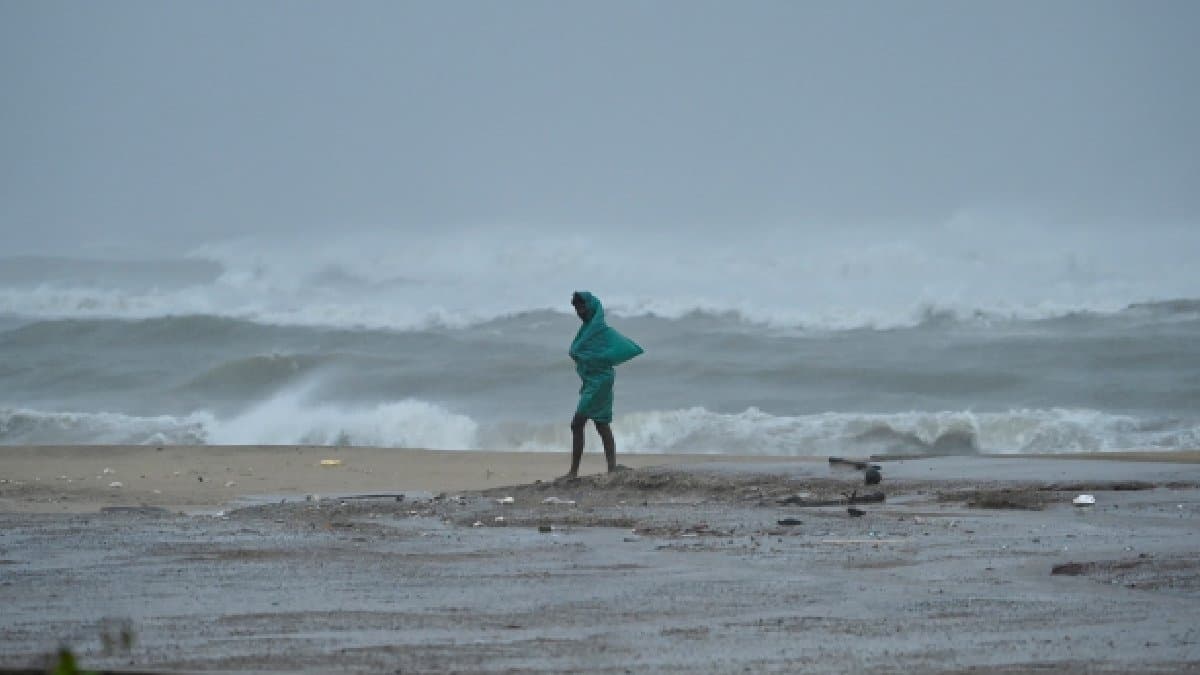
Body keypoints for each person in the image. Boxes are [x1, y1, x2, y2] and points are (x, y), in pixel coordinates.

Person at [565, 291, 643, 479]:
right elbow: (577, 352)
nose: (580, 312)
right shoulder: (585, 330)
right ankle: (611, 467)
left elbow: (628, 348)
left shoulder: (603, 331)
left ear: (591, 307)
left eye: (583, 307)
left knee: (578, 423)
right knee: (601, 424)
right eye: (577, 308)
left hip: (601, 383)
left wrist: (600, 359)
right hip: (592, 382)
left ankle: (574, 472)